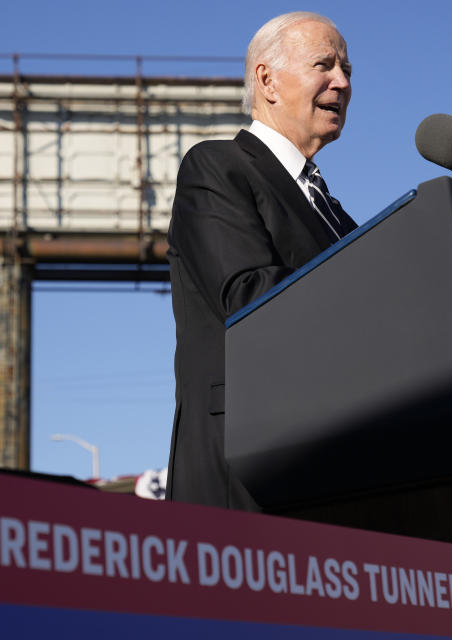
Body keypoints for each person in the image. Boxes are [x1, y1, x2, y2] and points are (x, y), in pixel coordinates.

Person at [166, 12, 358, 510]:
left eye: (347, 70)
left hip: (336, 470)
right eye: (324, 64)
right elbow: (250, 298)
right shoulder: (217, 168)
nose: (341, 82)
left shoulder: (338, 215)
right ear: (267, 80)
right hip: (247, 471)